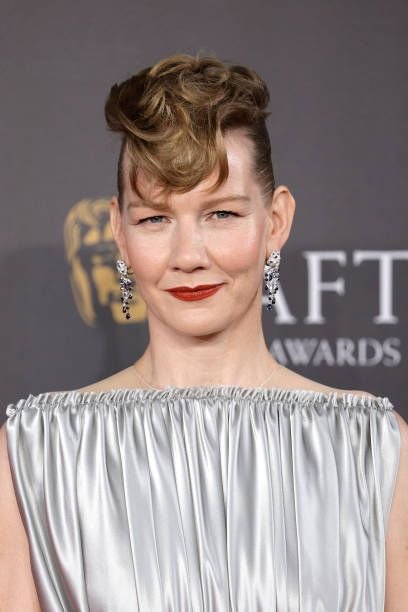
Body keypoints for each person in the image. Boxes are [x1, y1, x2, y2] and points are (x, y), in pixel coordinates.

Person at [1, 52, 407, 611]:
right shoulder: (35, 456)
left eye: (221, 214)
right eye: (155, 218)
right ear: (119, 231)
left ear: (277, 221)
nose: (188, 255)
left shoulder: (373, 452)